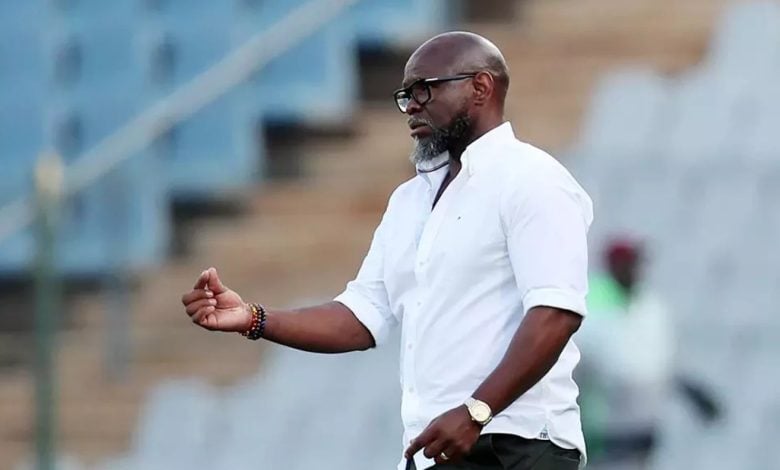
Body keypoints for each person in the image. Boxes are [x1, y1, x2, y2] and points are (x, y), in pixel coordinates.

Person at [181, 31, 593, 470]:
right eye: (405, 95)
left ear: (480, 87)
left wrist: (477, 410)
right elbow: (362, 317)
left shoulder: (533, 180)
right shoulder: (409, 201)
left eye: (424, 89)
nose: (411, 105)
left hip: (517, 447)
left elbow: (556, 313)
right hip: (438, 449)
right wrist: (254, 318)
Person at [576, 238, 719, 470]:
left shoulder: (650, 307)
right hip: (603, 430)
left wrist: (692, 393)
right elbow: (587, 365)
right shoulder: (593, 306)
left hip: (643, 429)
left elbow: (662, 362)